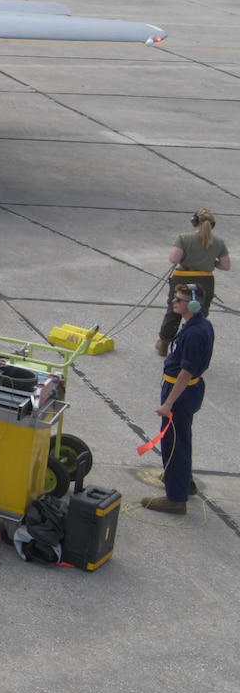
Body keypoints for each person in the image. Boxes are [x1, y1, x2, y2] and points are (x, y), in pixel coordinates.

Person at [145, 283, 214, 515]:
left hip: (180, 393)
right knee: (181, 438)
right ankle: (184, 481)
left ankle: (175, 498)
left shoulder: (194, 333)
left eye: (179, 299)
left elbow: (186, 372)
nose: (173, 302)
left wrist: (168, 403)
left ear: (193, 304)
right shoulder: (200, 324)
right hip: (187, 391)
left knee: (173, 443)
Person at [159, 209, 228, 355]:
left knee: (174, 311)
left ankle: (164, 343)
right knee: (198, 314)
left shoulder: (183, 238)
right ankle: (191, 346)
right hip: (205, 280)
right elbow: (225, 266)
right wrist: (210, 261)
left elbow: (174, 258)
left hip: (183, 279)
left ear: (194, 221)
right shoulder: (219, 242)